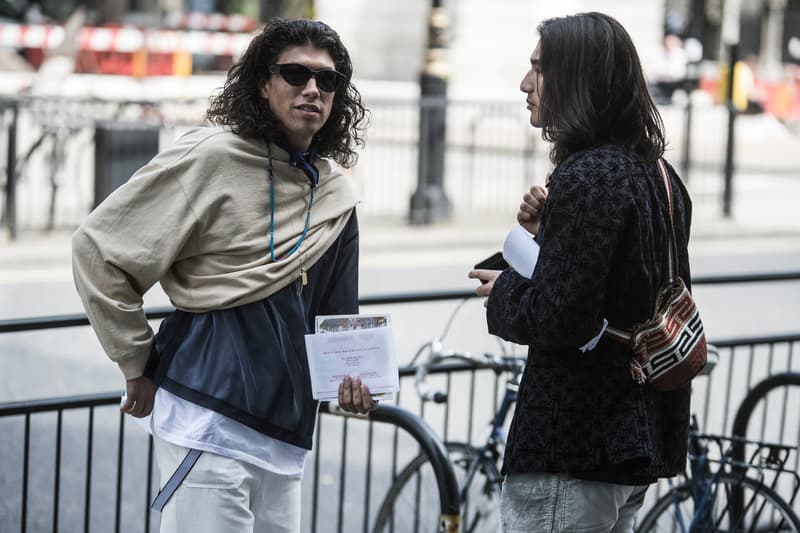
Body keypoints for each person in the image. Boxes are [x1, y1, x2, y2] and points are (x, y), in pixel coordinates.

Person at [72, 18, 373, 533]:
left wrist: (355, 383)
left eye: (328, 81)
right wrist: (135, 361)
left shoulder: (337, 196)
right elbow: (98, 249)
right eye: (295, 74)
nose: (312, 89)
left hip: (285, 434)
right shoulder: (210, 158)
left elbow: (336, 322)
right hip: (205, 419)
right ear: (262, 82)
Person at [469, 12, 694, 533]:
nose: (525, 83)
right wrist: (541, 233)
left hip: (573, 446)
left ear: (579, 79)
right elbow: (614, 288)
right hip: (631, 441)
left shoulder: (588, 175)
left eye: (540, 69)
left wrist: (503, 290)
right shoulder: (657, 173)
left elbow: (562, 317)